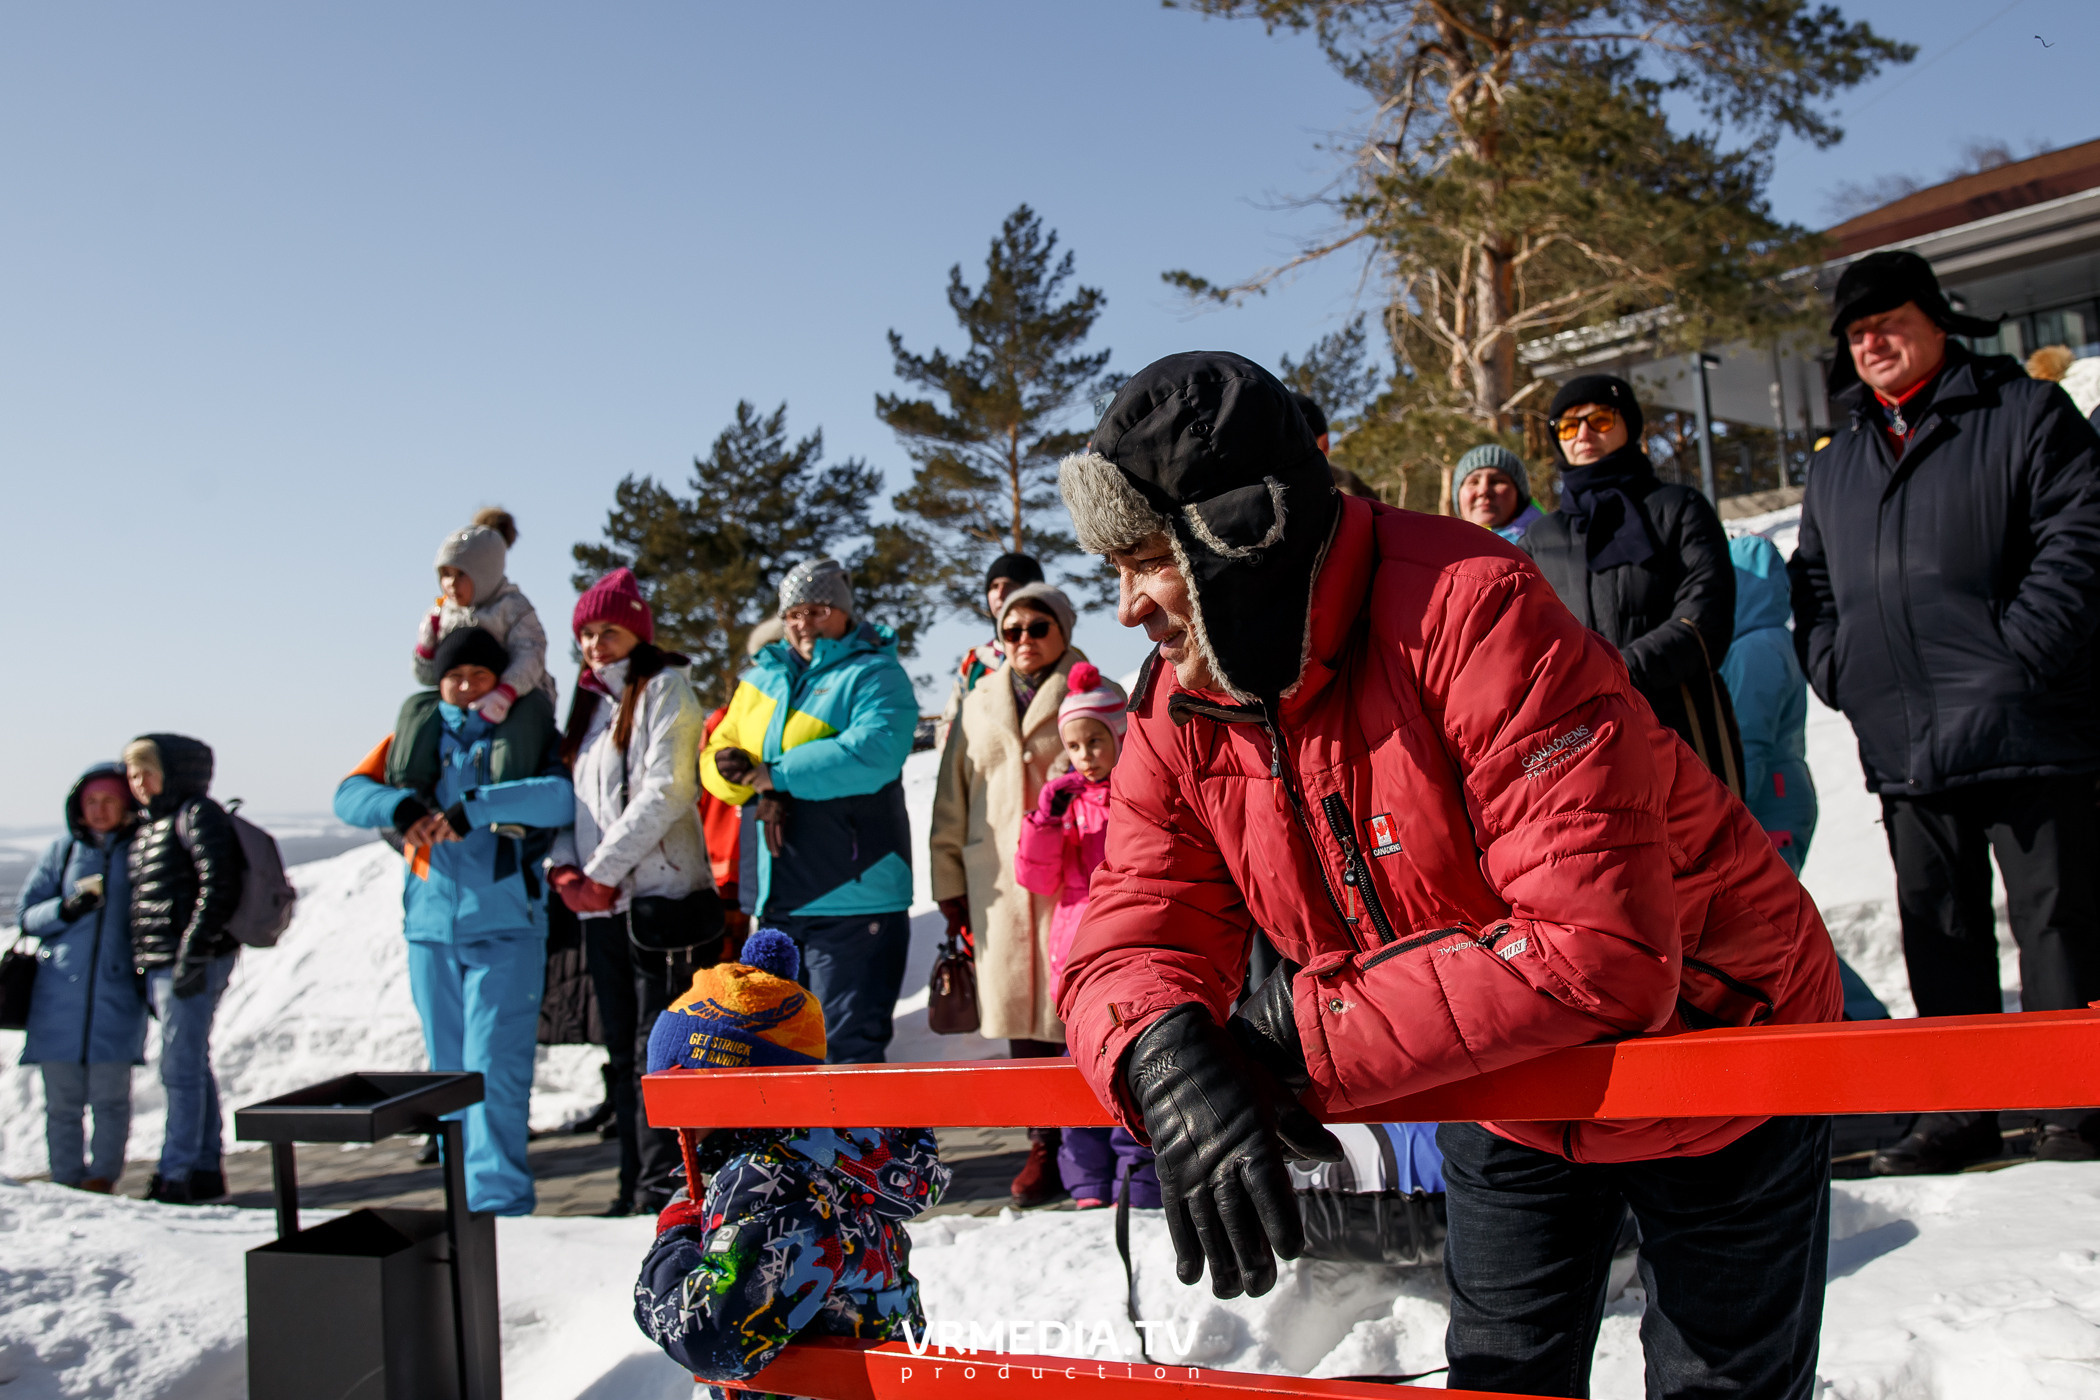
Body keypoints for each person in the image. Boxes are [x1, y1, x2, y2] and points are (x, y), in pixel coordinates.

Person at [1057, 351, 1840, 1399]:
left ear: (1237, 538)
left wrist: (1285, 1035)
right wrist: (1155, 1046)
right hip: (1505, 1075)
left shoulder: (1472, 610)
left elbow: (1596, 947)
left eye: (1146, 561)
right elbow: (1135, 924)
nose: (1126, 609)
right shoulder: (1181, 706)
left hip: (1716, 1043)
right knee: (1499, 1379)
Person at [1791, 249, 2100, 1172]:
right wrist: (1840, 669)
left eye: (1888, 322)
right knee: (1937, 922)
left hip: (2028, 725)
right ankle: (1960, 1109)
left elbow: (2081, 538)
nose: (1872, 342)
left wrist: (2022, 659)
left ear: (1936, 322)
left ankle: (2073, 1106)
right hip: (1902, 736)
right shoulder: (1839, 460)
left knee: (2057, 920)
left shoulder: (2022, 413)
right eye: (1856, 331)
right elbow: (1815, 585)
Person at [632, 929, 948, 1396]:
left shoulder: (770, 1179)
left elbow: (709, 1339)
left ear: (719, 1086)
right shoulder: (825, 1153)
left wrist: (675, 1238)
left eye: (671, 1084)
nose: (661, 1109)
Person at [334, 626, 575, 1214]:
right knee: (445, 1076)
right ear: (438, 681)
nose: (467, 688)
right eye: (455, 677)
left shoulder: (526, 728)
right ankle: (458, 1201)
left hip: (506, 926)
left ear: (500, 681)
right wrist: (398, 805)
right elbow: (348, 796)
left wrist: (479, 807)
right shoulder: (413, 734)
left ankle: (500, 1205)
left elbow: (560, 798)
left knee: (496, 1070)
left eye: (479, 677)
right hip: (430, 928)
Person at [701, 559, 918, 1065]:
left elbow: (874, 751)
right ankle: (802, 1148)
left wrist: (773, 775)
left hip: (853, 895)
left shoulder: (874, 672)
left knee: (847, 1055)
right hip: (778, 899)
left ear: (842, 613)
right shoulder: (761, 677)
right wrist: (731, 771)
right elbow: (718, 751)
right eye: (793, 613)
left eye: (818, 610)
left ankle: (871, 1149)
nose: (804, 624)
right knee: (780, 1053)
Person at [549, 566, 718, 1215]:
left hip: (661, 902)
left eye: (607, 630)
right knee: (620, 1050)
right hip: (601, 908)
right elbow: (568, 799)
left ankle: (669, 1188)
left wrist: (601, 871)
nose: (595, 643)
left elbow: (669, 789)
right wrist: (565, 869)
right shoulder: (587, 705)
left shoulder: (665, 688)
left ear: (636, 631)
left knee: (663, 1052)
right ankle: (631, 1185)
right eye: (586, 633)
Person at [929, 581, 1088, 1208]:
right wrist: (948, 885)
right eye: (1011, 630)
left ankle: (1092, 1143)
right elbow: (950, 798)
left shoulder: (1093, 688)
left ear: (1064, 630)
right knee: (1022, 1023)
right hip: (995, 884)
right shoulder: (978, 701)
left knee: (1077, 1013)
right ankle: (1042, 1144)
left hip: (1074, 880)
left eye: (1037, 627)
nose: (1023, 640)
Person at [1521, 375, 1744, 793]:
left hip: (1684, 729)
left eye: (1599, 419)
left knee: (1714, 857)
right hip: (1587, 748)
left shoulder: (1679, 508)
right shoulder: (1539, 540)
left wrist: (1615, 674)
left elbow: (1704, 618)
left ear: (1630, 425)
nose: (1583, 433)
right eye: (1567, 426)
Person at [1013, 661, 1161, 1213]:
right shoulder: (1063, 802)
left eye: (1095, 741)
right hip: (1073, 952)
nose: (1085, 755)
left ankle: (1139, 1182)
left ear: (1120, 735)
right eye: (1074, 745)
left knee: (1131, 1067)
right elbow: (1036, 878)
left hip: (1126, 946)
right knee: (1079, 1074)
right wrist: (1044, 822)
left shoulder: (1140, 788)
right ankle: (1087, 1184)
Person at [123, 734, 245, 1205]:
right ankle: (204, 1168)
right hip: (164, 963)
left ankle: (175, 1175)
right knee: (191, 1064)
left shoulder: (196, 814)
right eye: (133, 775)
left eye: (147, 772)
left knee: (179, 1068)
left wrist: (193, 952)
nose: (138, 784)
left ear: (172, 773)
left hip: (190, 960)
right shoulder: (151, 823)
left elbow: (219, 883)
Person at [17, 765, 148, 1193]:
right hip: (57, 1000)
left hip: (117, 998)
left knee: (111, 1100)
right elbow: (28, 915)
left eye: (109, 800)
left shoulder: (142, 849)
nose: (99, 810)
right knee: (61, 1104)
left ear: (126, 804)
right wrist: (64, 909)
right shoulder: (62, 851)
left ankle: (103, 1178)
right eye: (91, 801)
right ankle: (66, 1181)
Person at [412, 508, 555, 723]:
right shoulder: (442, 614)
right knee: (414, 712)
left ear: (485, 574)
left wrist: (505, 692)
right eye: (446, 574)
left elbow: (530, 654)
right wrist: (427, 645)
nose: (451, 583)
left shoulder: (512, 607)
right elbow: (428, 677)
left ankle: (511, 756)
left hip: (517, 694)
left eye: (461, 574)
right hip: (461, 695)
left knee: (519, 728)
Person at [938, 553, 1045, 745]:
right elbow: (949, 724)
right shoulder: (975, 661)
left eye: (1010, 584)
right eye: (994, 587)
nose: (1000, 593)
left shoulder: (1055, 654)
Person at [1452, 444, 1544, 542]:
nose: (1484, 491)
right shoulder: (1444, 548)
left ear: (1519, 494)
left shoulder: (1546, 545)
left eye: (1497, 481)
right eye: (1473, 482)